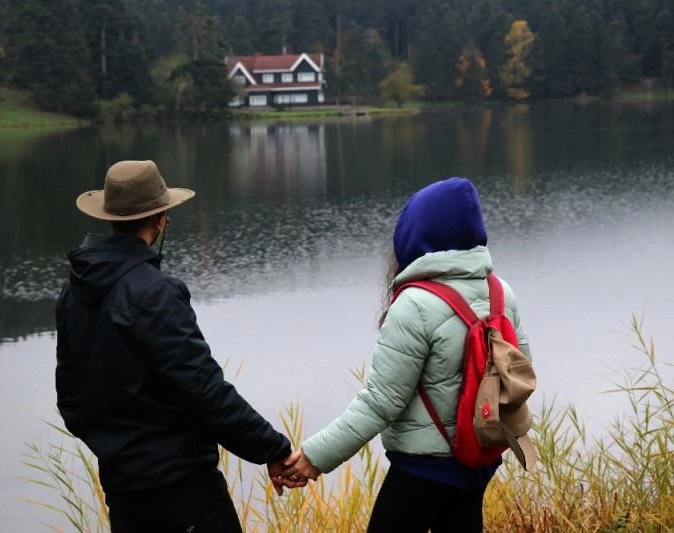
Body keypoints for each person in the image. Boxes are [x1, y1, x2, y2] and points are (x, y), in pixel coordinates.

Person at [55, 160, 302, 533]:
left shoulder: (75, 291)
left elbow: (69, 399)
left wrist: (116, 446)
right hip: (183, 489)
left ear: (110, 216)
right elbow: (204, 391)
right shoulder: (155, 293)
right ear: (161, 218)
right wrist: (274, 450)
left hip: (122, 487)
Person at [281, 177, 532, 533]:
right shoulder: (500, 292)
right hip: (480, 458)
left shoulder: (414, 305)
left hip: (423, 470)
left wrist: (314, 458)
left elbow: (381, 402)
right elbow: (522, 369)